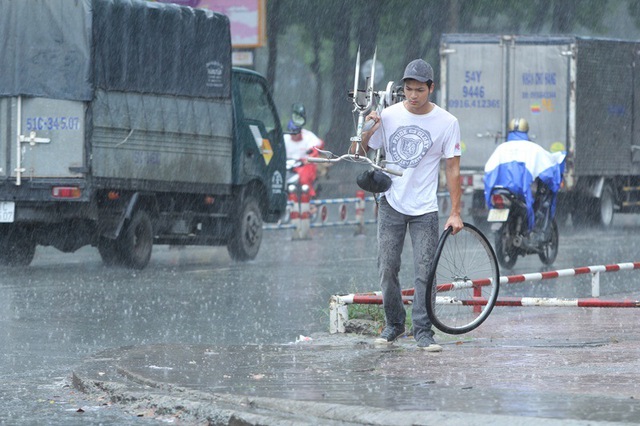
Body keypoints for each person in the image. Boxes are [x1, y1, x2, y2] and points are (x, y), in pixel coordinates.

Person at [351, 59, 463, 352]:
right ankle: (394, 324)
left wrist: (455, 212)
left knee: (425, 270)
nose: (413, 96)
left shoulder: (447, 123)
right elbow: (358, 152)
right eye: (408, 89)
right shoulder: (388, 116)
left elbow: (452, 168)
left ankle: (423, 331)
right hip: (391, 202)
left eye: (419, 90)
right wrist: (367, 127)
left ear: (431, 89)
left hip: (425, 208)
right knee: (387, 266)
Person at [484, 118, 566, 242]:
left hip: (500, 191)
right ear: (526, 130)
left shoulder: (501, 148)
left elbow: (489, 170)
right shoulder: (533, 148)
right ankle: (530, 231)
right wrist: (560, 158)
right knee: (537, 200)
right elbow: (549, 166)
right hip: (521, 191)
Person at [283, 103, 324, 197]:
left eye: (296, 132)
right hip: (287, 165)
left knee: (305, 177)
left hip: (304, 164)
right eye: (292, 133)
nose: (294, 135)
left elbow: (317, 146)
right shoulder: (285, 138)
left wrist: (310, 156)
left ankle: (310, 197)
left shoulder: (308, 136)